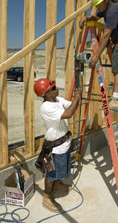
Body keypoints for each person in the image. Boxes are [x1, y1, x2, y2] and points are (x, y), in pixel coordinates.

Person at [34, 78, 81, 212]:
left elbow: (70, 105)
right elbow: (69, 113)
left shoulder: (58, 100)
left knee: (63, 168)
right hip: (56, 147)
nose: (56, 89)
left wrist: (76, 98)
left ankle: (58, 183)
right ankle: (47, 196)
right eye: (53, 88)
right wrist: (77, 98)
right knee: (52, 173)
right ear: (47, 94)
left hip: (64, 142)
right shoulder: (46, 107)